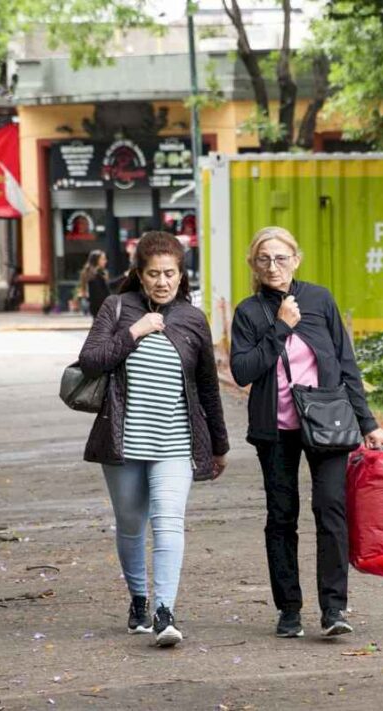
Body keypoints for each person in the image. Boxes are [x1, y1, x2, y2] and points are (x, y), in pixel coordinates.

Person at [230, 226, 383, 639]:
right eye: (264, 259)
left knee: (331, 509)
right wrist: (281, 327)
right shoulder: (249, 312)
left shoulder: (319, 299)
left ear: (296, 260)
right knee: (281, 517)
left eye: (281, 258)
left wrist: (368, 423)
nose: (273, 266)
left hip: (328, 422)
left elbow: (345, 362)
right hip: (276, 428)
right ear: (253, 264)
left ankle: (334, 608)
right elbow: (243, 370)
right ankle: (288, 609)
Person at [78, 231, 229, 648]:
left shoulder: (193, 320)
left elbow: (208, 388)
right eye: (153, 274)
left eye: (170, 274)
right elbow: (90, 362)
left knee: (169, 522)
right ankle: (139, 599)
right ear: (139, 276)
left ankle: (165, 611)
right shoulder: (117, 308)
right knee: (131, 525)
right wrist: (135, 332)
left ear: (182, 275)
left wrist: (219, 445)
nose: (163, 282)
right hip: (124, 441)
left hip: (175, 441)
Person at [78, 249, 111, 317]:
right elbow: (99, 295)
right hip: (100, 308)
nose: (105, 261)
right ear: (97, 260)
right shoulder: (95, 275)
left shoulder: (93, 273)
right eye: (103, 259)